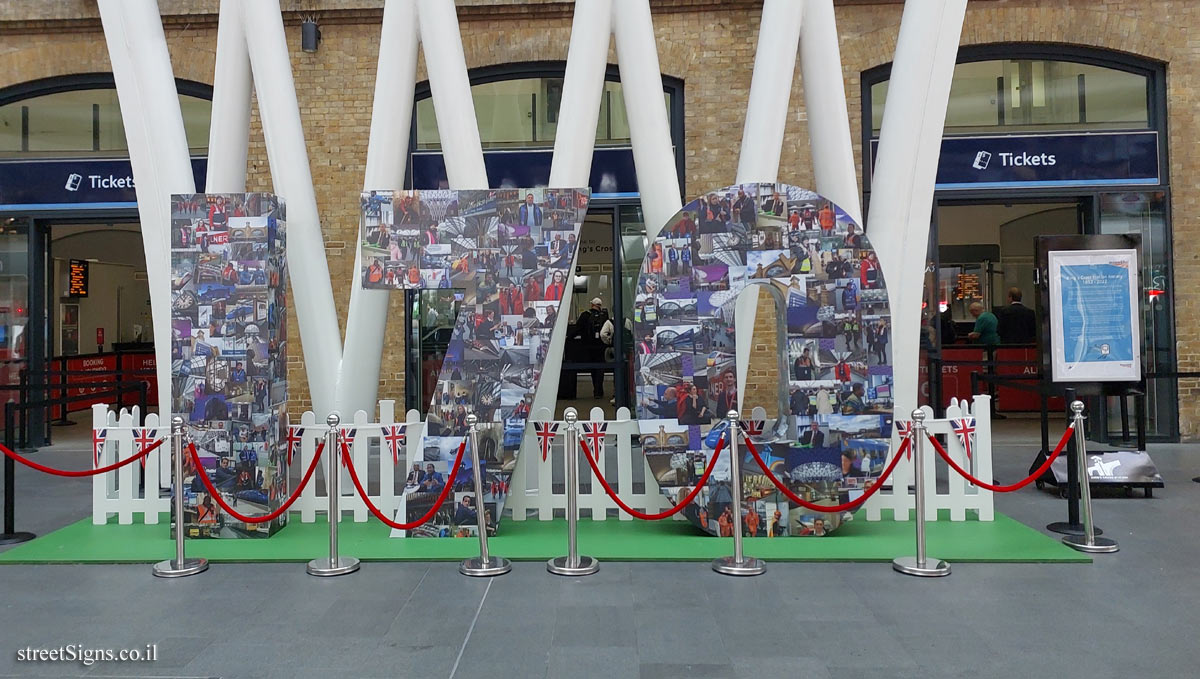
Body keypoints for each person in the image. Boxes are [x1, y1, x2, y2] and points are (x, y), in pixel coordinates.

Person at [573, 298, 610, 398]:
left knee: (593, 368)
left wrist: (569, 337)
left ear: (592, 305)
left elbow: (577, 328)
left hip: (588, 346)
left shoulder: (585, 315)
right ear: (600, 305)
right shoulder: (604, 316)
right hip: (601, 346)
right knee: (600, 368)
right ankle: (599, 390)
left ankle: (596, 389)